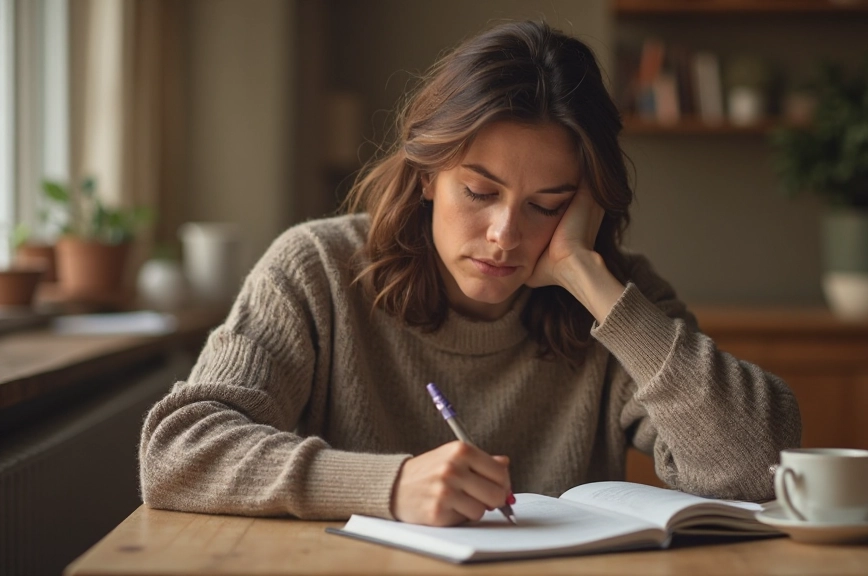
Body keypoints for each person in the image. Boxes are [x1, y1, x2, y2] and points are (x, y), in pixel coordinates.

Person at [139, 20, 801, 527]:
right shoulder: (315, 270)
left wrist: (591, 281)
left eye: (548, 205)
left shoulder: (617, 302)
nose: (505, 235)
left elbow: (761, 467)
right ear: (427, 173)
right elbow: (178, 451)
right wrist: (390, 487)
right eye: (479, 193)